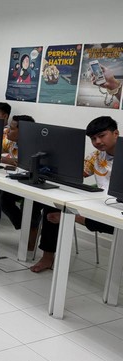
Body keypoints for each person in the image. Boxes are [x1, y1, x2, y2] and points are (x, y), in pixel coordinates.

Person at [31, 116, 117, 273]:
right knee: (53, 204)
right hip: (101, 201)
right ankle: (47, 257)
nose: (97, 141)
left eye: (102, 136)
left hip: (118, 207)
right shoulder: (96, 156)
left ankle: (74, 217)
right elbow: (76, 172)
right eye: (93, 138)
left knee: (109, 221)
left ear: (115, 133)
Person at [0, 115, 43, 249]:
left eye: (11, 128)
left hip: (37, 184)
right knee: (0, 197)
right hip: (18, 181)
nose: (7, 131)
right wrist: (6, 160)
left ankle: (32, 228)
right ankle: (24, 226)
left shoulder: (37, 145)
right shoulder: (11, 142)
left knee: (31, 201)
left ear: (23, 132)